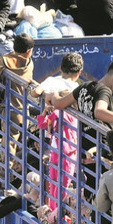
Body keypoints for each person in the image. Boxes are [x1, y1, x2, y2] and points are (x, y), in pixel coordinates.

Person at [49, 58, 113, 200]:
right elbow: (98, 111)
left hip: (87, 150)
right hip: (102, 152)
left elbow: (59, 104)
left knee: (94, 193)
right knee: (109, 198)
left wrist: (53, 95)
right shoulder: (104, 91)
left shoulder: (84, 86)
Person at [36, 53, 84, 209]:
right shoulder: (77, 88)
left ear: (61, 68)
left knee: (52, 182)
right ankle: (56, 215)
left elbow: (35, 92)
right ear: (79, 73)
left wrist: (48, 97)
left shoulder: (51, 81)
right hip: (69, 151)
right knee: (63, 185)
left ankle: (52, 211)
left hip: (51, 144)